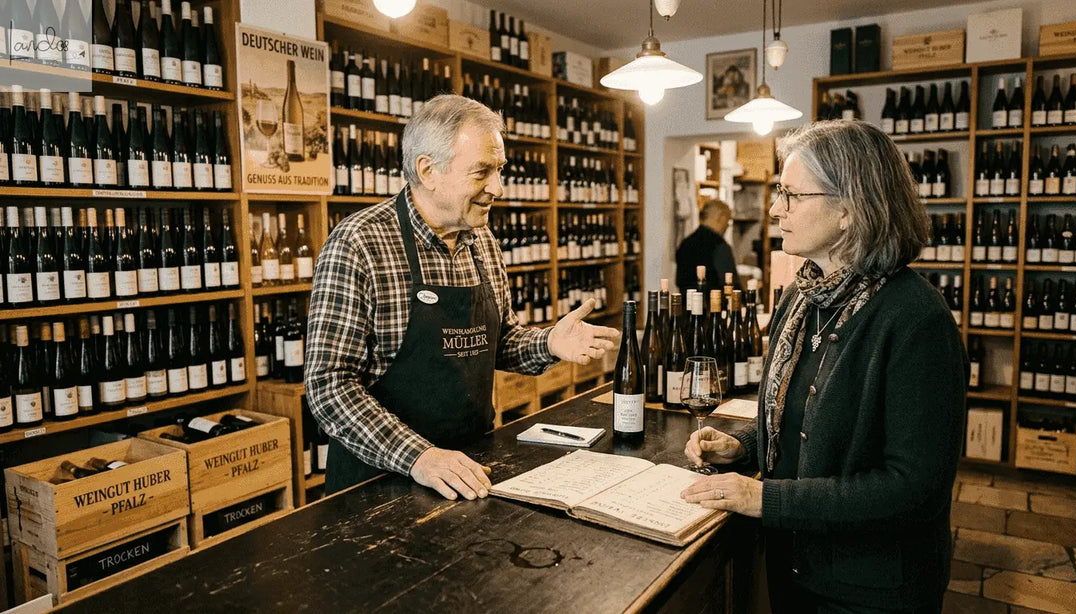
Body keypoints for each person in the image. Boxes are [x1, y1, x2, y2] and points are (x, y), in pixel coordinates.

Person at [680, 121, 966, 613]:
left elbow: (913, 488)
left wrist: (763, 500)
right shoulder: (802, 295)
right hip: (797, 568)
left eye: (791, 195)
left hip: (870, 591)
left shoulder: (917, 319)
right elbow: (801, 417)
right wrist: (745, 446)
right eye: (778, 193)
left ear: (850, 211)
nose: (774, 210)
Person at [306, 95, 619, 501]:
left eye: (499, 170)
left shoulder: (482, 239)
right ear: (427, 170)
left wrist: (549, 342)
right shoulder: (359, 243)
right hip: (377, 485)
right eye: (482, 172)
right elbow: (328, 386)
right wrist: (421, 457)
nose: (498, 188)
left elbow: (500, 340)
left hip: (469, 471)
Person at [675, 198, 742, 294]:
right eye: (728, 220)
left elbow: (680, 281)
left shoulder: (685, 244)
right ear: (721, 217)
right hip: (715, 306)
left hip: (688, 305)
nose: (727, 225)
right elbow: (730, 284)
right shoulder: (719, 245)